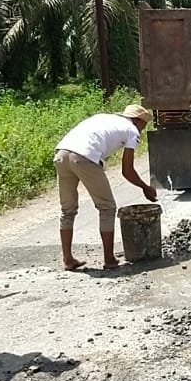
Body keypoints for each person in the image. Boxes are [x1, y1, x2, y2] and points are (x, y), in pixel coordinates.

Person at [54, 104, 158, 271]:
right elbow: (127, 170)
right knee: (107, 207)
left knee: (67, 209)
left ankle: (68, 259)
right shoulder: (132, 130)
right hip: (83, 157)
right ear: (138, 121)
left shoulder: (103, 118)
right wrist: (145, 187)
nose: (142, 130)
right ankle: (110, 260)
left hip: (61, 155)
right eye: (143, 126)